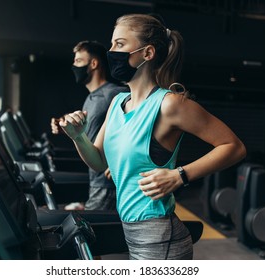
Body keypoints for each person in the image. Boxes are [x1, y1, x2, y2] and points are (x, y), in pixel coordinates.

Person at [57, 14, 247, 260]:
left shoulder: (170, 105)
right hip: (132, 232)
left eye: (120, 44)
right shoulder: (117, 103)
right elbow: (98, 162)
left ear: (147, 53)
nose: (111, 51)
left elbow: (234, 146)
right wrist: (78, 136)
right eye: (112, 44)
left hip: (160, 238)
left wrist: (180, 175)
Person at [51, 40, 127, 211]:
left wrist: (120, 162)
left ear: (93, 64)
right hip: (95, 178)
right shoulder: (91, 97)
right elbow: (94, 130)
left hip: (106, 184)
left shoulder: (114, 93)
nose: (74, 66)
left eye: (78, 61)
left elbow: (142, 123)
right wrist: (65, 126)